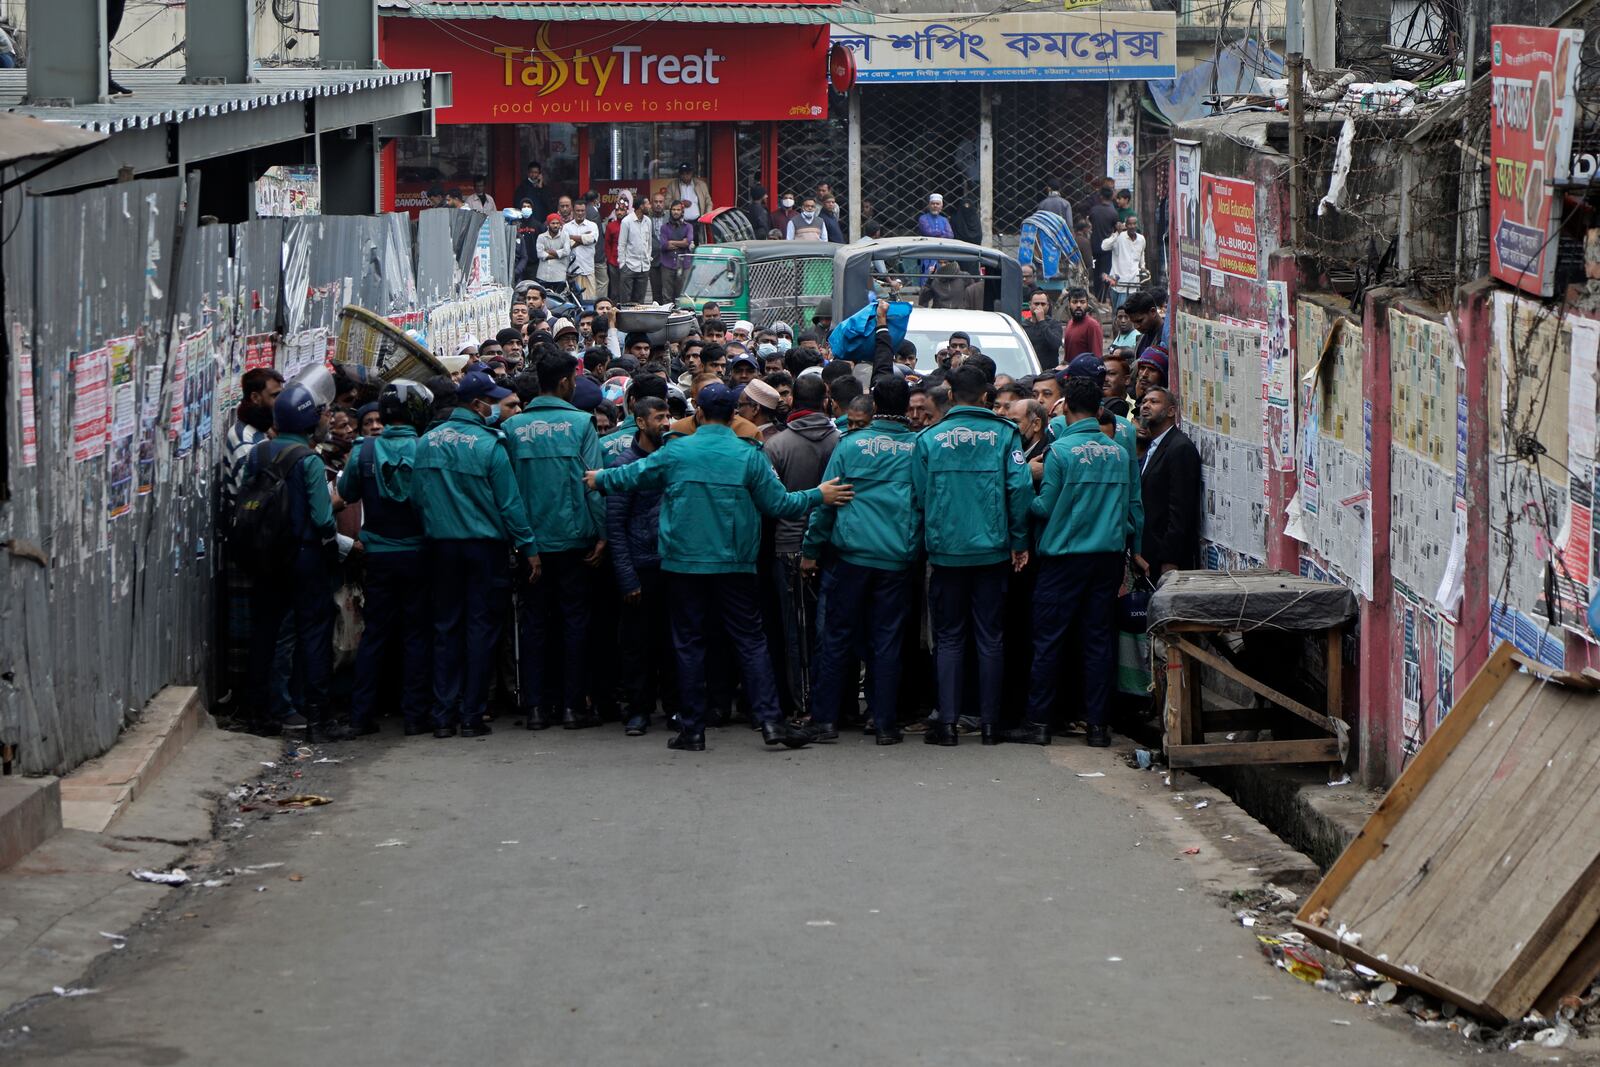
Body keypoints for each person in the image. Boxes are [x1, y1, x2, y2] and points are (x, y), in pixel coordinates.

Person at [587, 383, 855, 751]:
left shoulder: (677, 450)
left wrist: (598, 478)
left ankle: (692, 728)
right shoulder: (749, 454)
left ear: (697, 415)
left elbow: (633, 475)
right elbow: (780, 504)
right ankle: (771, 723)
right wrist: (818, 494)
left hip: (684, 563)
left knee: (689, 642)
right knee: (750, 641)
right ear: (733, 416)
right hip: (735, 563)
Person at [1006, 375, 1138, 749]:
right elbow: (1132, 507)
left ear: (1064, 408)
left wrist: (1020, 498)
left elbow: (1043, 506)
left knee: (1048, 640)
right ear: (1099, 410)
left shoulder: (1059, 453)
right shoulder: (1118, 453)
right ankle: (1098, 727)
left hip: (1063, 561)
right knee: (1098, 642)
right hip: (1107, 560)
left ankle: (1038, 723)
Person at [413, 371, 542, 739]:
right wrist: (529, 548)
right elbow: (510, 504)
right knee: (481, 630)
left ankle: (442, 714)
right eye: (492, 400)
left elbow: (417, 499)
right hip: (485, 549)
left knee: (445, 629)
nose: (496, 407)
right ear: (477, 405)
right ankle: (470, 714)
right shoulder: (490, 445)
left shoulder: (427, 442)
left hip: (440, 548)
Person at [912, 365, 1032, 746]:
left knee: (948, 638)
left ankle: (947, 724)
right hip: (992, 552)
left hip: (946, 553)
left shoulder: (930, 438)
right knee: (991, 638)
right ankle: (990, 727)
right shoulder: (1004, 434)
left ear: (949, 396)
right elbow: (1020, 488)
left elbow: (919, 496)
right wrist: (1018, 540)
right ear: (985, 397)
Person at [802, 360, 921, 743]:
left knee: (836, 637)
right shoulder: (918, 449)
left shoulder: (849, 445)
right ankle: (884, 724)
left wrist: (811, 550)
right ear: (906, 407)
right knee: (886, 642)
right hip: (897, 560)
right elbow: (924, 504)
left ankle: (824, 721)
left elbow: (825, 503)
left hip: (850, 557)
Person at [502, 351, 607, 731]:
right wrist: (603, 535)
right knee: (575, 623)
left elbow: (508, 493)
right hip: (574, 541)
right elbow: (594, 485)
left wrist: (522, 542)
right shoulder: (581, 424)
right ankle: (571, 706)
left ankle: (534, 708)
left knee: (534, 624)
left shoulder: (512, 429)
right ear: (565, 382)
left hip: (531, 544)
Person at [328, 381, 433, 739]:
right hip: (419, 554)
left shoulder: (364, 451)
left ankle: (361, 716)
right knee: (417, 635)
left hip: (379, 557)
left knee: (375, 635)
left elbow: (347, 493)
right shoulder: (426, 449)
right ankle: (416, 716)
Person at [244, 382, 338, 738]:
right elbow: (322, 517)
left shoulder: (259, 453)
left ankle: (260, 713)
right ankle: (318, 718)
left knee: (266, 633)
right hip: (304, 557)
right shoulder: (309, 460)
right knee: (313, 634)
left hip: (266, 557)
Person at [763, 374, 840, 716]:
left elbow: (770, 502)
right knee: (832, 629)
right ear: (826, 400)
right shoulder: (842, 441)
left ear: (793, 400)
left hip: (789, 547)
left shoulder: (776, 446)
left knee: (795, 630)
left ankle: (800, 705)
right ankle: (834, 705)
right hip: (835, 547)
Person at [606, 396, 676, 736]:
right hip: (641, 567)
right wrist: (626, 576)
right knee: (637, 645)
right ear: (640, 422)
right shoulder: (625, 465)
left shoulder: (672, 460)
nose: (666, 422)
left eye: (669, 416)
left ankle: (676, 707)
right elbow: (615, 526)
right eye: (659, 417)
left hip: (674, 566)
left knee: (675, 642)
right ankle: (639, 709)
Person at [1138, 386, 1201, 576]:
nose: (1146, 406)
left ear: (1171, 411)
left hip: (1166, 559)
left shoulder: (1179, 448)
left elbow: (1180, 509)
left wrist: (1170, 559)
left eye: (1154, 402)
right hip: (1149, 554)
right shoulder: (1153, 446)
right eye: (1144, 402)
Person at [1100, 215, 1147, 312]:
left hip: (1133, 282)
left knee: (1129, 311)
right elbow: (1104, 246)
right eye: (1130, 224)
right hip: (1118, 282)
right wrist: (1117, 233)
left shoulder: (1141, 239)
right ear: (1126, 225)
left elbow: (1142, 253)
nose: (1132, 226)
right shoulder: (1119, 237)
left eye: (1134, 224)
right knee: (1117, 311)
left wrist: (1143, 266)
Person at [618, 198, 654, 305]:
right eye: (648, 204)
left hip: (644, 267)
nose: (650, 206)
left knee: (640, 302)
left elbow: (649, 243)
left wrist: (648, 259)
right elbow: (622, 244)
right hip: (629, 266)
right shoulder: (626, 221)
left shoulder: (648, 221)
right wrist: (622, 265)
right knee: (626, 301)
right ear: (641, 206)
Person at [658, 200, 694, 304]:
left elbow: (687, 242)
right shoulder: (664, 227)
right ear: (670, 211)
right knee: (667, 296)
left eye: (678, 210)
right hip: (667, 264)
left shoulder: (688, 226)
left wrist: (671, 242)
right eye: (673, 209)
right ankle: (667, 318)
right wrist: (680, 243)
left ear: (682, 211)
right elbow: (664, 245)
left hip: (683, 265)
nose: (676, 212)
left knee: (682, 295)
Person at [1088, 186, 1120, 302]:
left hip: (1094, 248)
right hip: (1107, 249)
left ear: (1101, 196)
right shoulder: (1113, 212)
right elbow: (1116, 229)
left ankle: (1097, 297)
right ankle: (1103, 298)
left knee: (1096, 273)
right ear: (1111, 197)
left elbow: (1090, 223)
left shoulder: (1094, 210)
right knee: (1106, 273)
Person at [563, 206, 601, 300]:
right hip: (572, 270)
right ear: (573, 211)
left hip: (588, 269)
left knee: (590, 300)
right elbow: (567, 245)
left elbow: (592, 239)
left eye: (582, 210)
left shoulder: (592, 225)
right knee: (574, 300)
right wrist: (584, 238)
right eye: (578, 211)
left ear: (585, 211)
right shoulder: (566, 227)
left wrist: (571, 236)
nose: (580, 213)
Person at [1022, 291, 1060, 367]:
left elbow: (1055, 344)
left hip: (1048, 373)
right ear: (1030, 305)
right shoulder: (1023, 326)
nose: (1039, 307)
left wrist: (1041, 321)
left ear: (1048, 306)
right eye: (1036, 304)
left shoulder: (1054, 324)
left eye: (1043, 304)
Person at [533, 212, 571, 286]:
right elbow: (540, 254)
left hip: (559, 276)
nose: (556, 225)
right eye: (553, 223)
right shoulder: (541, 237)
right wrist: (559, 254)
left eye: (557, 223)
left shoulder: (565, 236)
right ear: (548, 225)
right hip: (543, 276)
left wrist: (551, 252)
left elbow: (566, 252)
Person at [1124, 290, 1164, 358]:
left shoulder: (1165, 339)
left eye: (1139, 321)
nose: (1136, 326)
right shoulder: (1143, 336)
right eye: (1133, 322)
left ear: (1153, 312)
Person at [604, 197, 629, 302]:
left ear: (627, 210)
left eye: (622, 210)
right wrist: (609, 259)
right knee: (614, 290)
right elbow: (607, 244)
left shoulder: (630, 224)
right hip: (614, 261)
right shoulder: (611, 226)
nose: (619, 212)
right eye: (617, 210)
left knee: (627, 288)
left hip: (629, 261)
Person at [1012, 398, 1049, 463]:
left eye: (1015, 422)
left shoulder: (1047, 458)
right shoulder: (1011, 450)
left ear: (1036, 424)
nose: (1009, 427)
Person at [513, 199, 541, 283]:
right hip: (518, 265)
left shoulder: (538, 225)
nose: (526, 208)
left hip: (533, 264)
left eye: (528, 207)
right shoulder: (516, 225)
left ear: (532, 208)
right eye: (524, 206)